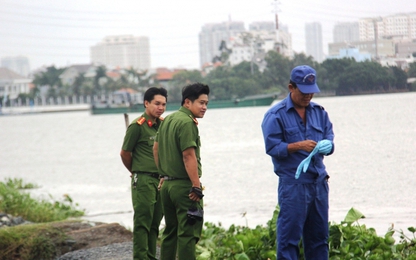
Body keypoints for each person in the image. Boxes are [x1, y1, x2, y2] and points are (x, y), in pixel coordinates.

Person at [261, 65, 335, 259]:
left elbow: (330, 138)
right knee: (288, 241)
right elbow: (272, 148)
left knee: (319, 239)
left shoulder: (320, 113)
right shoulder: (275, 116)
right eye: (303, 92)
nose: (308, 96)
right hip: (293, 186)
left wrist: (329, 146)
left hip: (319, 184)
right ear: (291, 87)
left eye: (311, 92)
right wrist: (298, 146)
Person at [153, 83, 209, 260]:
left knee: (170, 232)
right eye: (200, 102)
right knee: (187, 234)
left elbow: (155, 148)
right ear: (187, 102)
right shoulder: (186, 123)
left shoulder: (168, 119)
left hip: (167, 186)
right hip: (184, 187)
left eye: (206, 103)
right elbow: (188, 156)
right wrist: (196, 186)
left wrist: (162, 174)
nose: (204, 107)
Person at [120, 87, 167, 260]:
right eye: (157, 103)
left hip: (160, 180)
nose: (160, 107)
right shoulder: (137, 126)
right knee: (143, 222)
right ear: (146, 103)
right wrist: (136, 171)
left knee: (155, 223)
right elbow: (125, 153)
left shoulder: (163, 125)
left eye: (163, 104)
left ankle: (150, 256)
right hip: (144, 180)